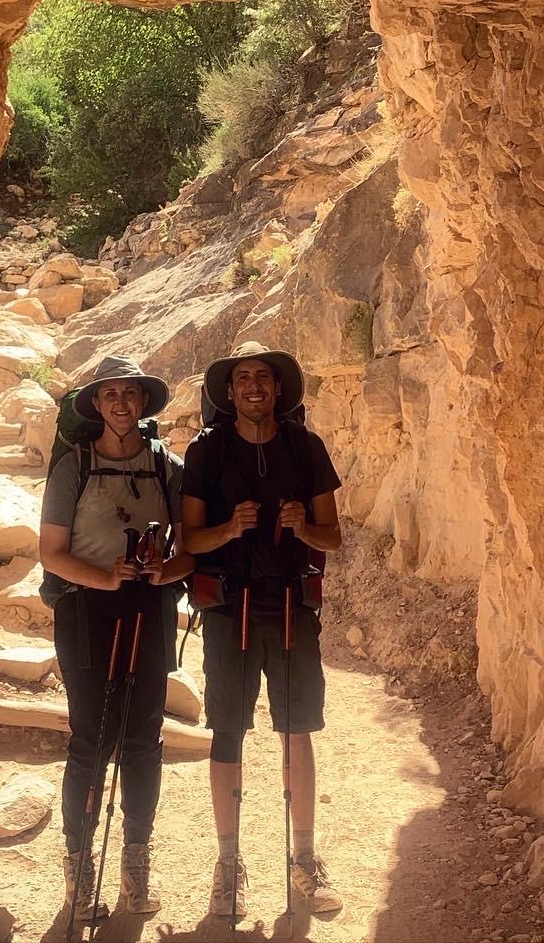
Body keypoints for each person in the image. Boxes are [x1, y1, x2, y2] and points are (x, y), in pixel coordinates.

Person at [181, 340, 344, 918]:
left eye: (263, 378)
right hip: (229, 612)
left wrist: (304, 528)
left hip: (292, 609)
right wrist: (227, 531)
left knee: (296, 730)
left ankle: (305, 859)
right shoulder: (206, 452)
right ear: (228, 391)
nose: (253, 386)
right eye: (242, 378)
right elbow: (189, 541)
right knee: (227, 732)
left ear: (278, 390)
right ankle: (229, 864)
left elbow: (333, 536)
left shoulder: (305, 447)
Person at [39, 355, 194, 925]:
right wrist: (105, 576)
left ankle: (135, 862)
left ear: (143, 404)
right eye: (111, 395)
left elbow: (192, 548)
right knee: (90, 737)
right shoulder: (72, 466)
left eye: (131, 394)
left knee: (143, 737)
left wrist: (167, 570)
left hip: (148, 608)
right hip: (86, 611)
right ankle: (79, 870)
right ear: (98, 405)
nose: (122, 404)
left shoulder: (166, 468)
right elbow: (51, 551)